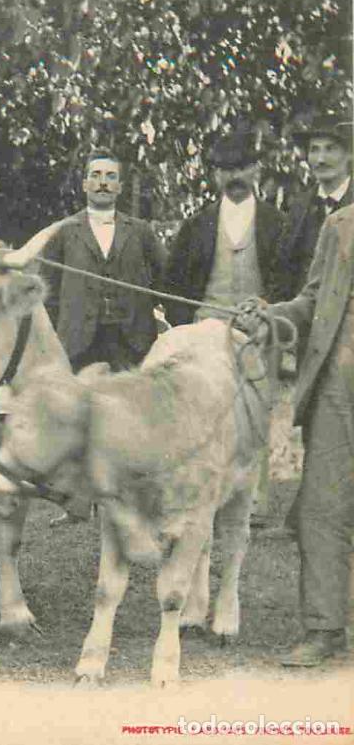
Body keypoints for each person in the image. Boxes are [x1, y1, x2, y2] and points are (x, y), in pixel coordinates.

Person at [240, 201, 354, 667]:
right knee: (322, 507)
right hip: (337, 385)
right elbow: (312, 299)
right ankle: (324, 628)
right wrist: (270, 315)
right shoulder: (339, 222)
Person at [164, 126, 290, 528]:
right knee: (202, 411)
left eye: (241, 167)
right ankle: (202, 495)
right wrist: (187, 327)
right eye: (223, 169)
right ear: (214, 174)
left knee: (257, 411)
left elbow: (292, 279)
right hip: (207, 329)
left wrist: (271, 309)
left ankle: (256, 499)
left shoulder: (279, 224)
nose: (233, 177)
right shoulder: (197, 225)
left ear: (256, 169)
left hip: (260, 329)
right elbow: (174, 282)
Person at [40, 149, 168, 373]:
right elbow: (47, 295)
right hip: (78, 348)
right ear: (84, 184)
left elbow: (165, 280)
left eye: (110, 176)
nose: (103, 182)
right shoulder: (63, 231)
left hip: (132, 346)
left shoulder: (141, 232)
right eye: (96, 175)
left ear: (119, 186)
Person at [280, 114, 353, 298]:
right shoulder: (299, 206)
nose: (320, 159)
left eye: (330, 149)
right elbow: (283, 272)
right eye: (314, 150)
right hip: (299, 316)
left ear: (349, 154)